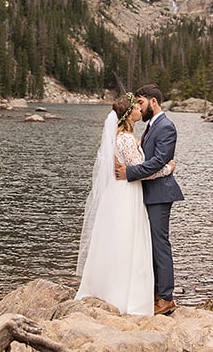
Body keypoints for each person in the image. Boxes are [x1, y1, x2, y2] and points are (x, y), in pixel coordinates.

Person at [75, 93, 175, 315]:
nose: (140, 109)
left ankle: (118, 287)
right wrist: (169, 169)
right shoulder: (127, 139)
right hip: (128, 192)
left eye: (141, 104)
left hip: (120, 192)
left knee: (119, 239)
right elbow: (140, 170)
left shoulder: (122, 137)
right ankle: (130, 293)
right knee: (130, 239)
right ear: (129, 113)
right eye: (136, 106)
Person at [115, 83, 184, 316]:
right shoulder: (151, 126)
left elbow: (158, 162)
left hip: (160, 194)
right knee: (150, 244)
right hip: (149, 192)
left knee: (160, 244)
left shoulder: (166, 126)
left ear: (153, 102)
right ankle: (154, 292)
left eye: (142, 103)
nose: (139, 108)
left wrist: (129, 173)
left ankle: (166, 298)